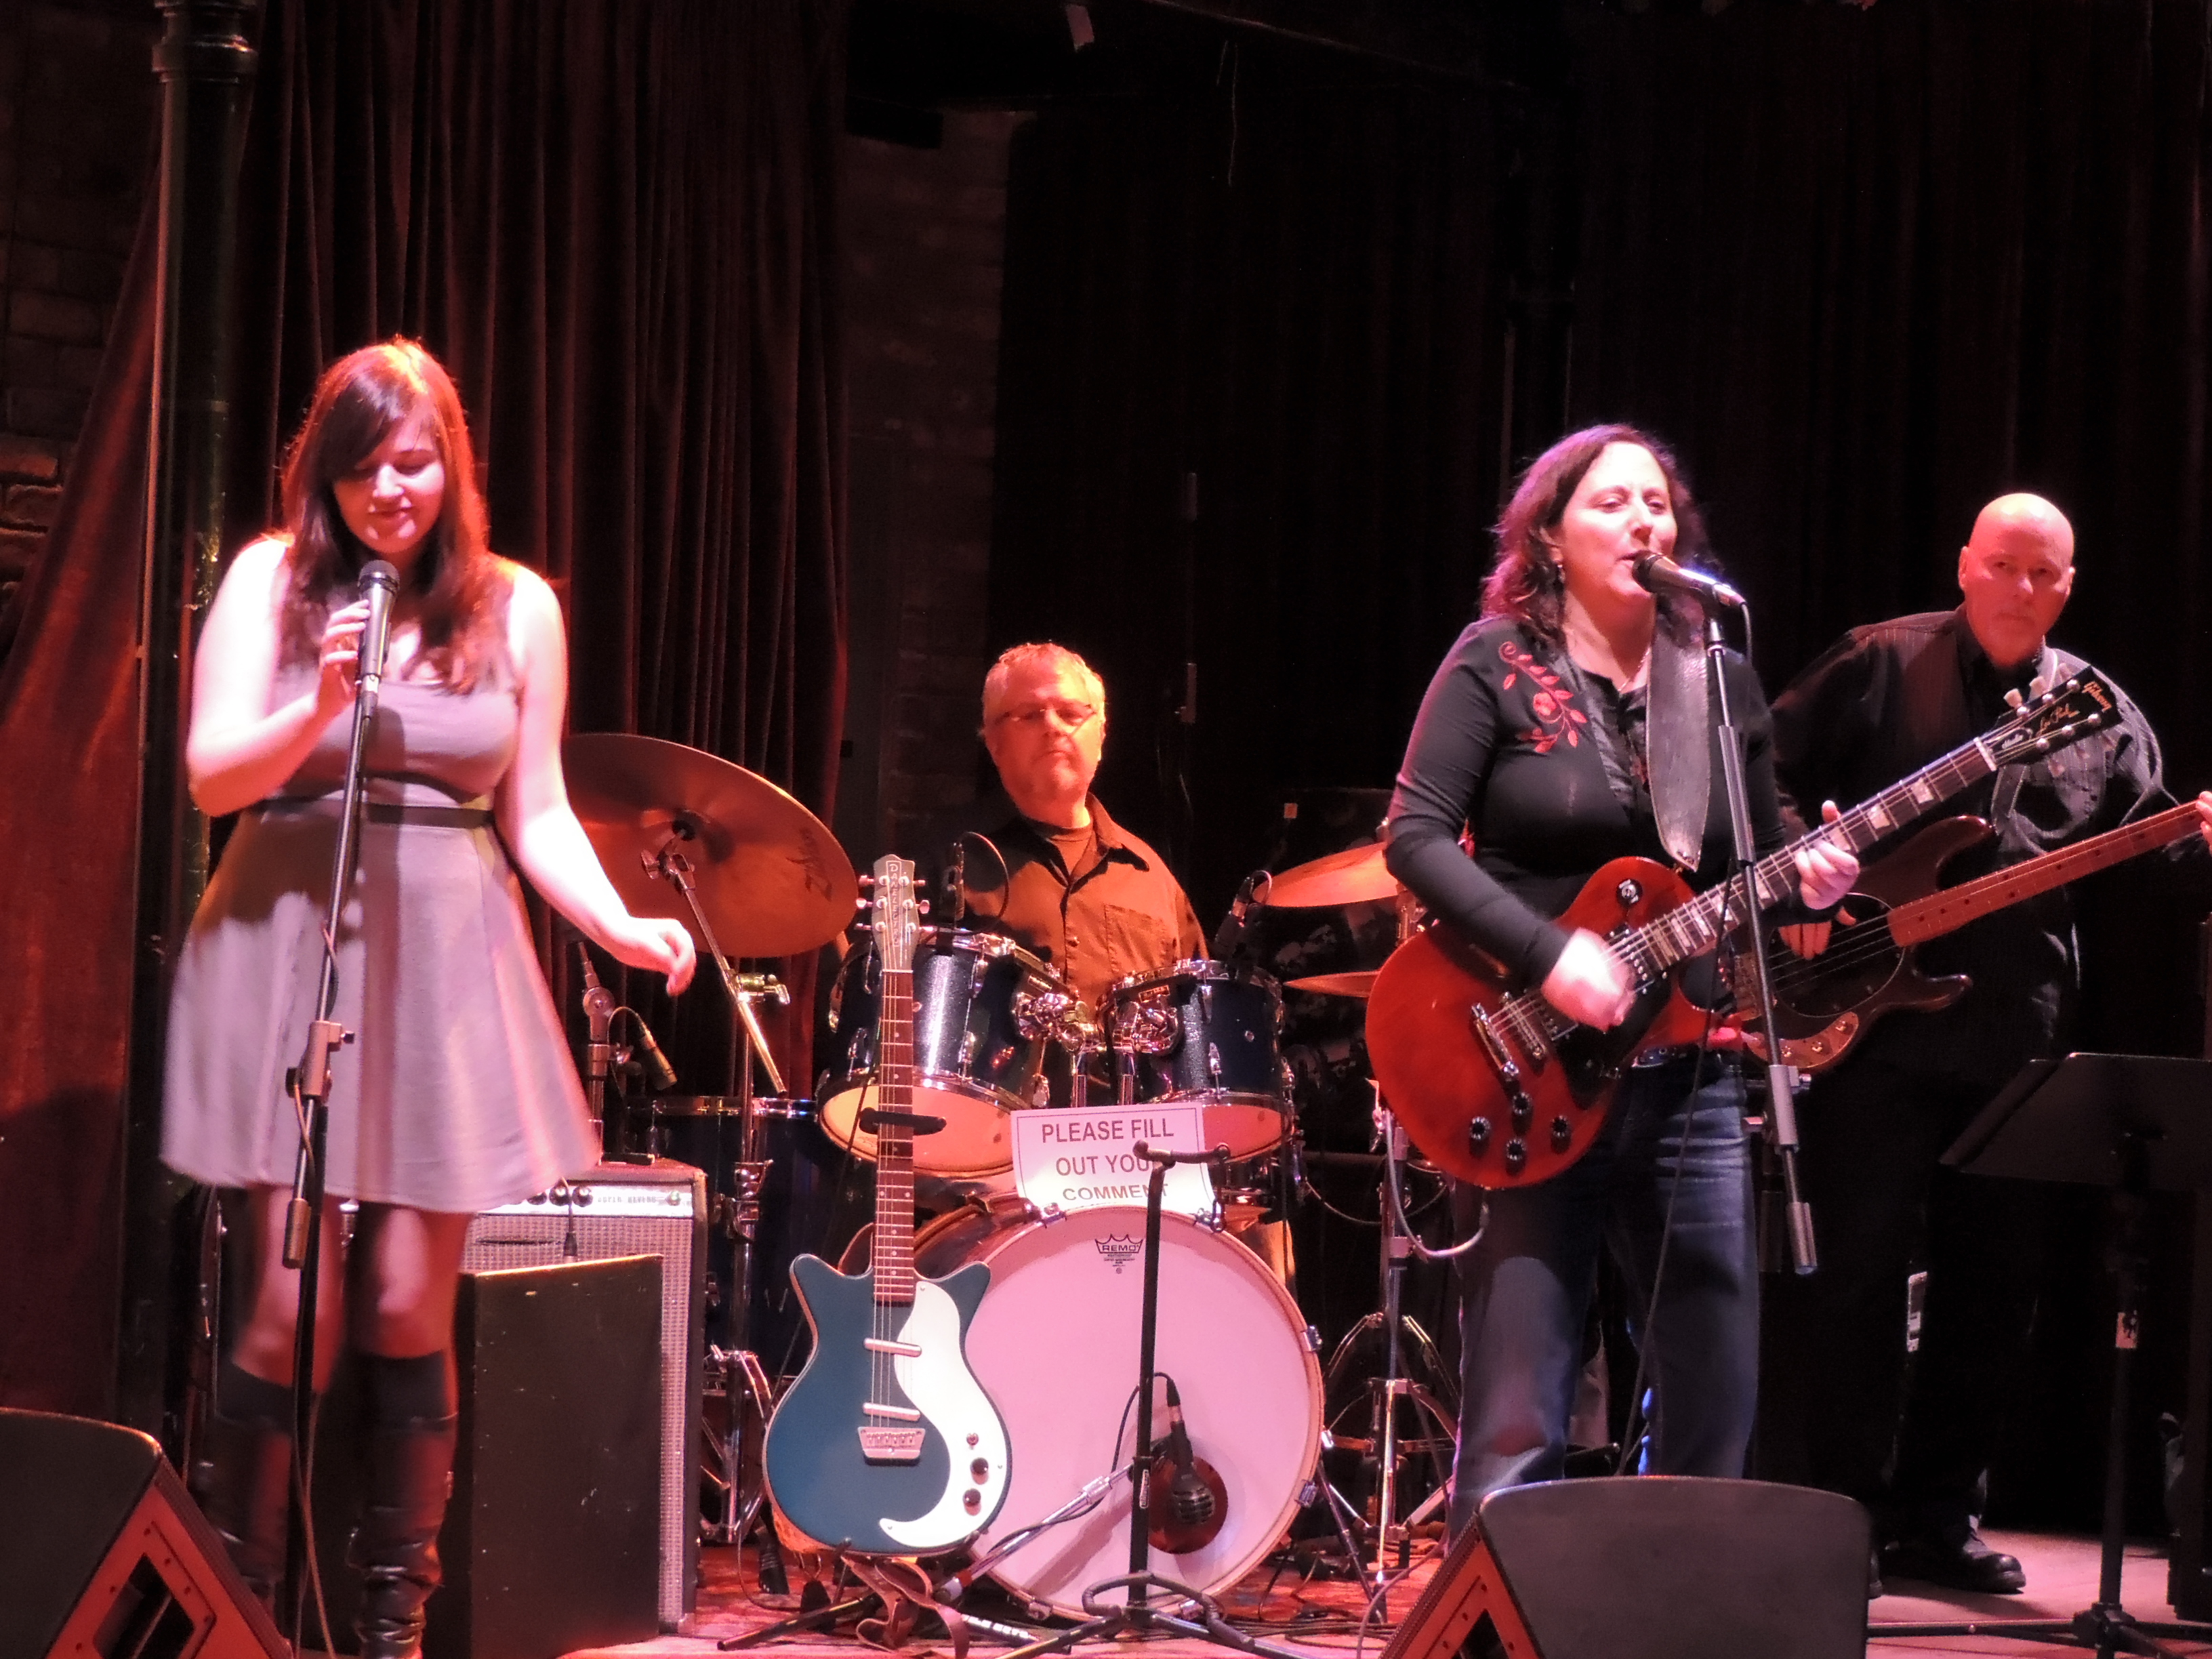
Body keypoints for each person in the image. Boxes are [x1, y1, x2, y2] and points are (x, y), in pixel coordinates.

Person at [163, 339, 695, 1655]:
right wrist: (322, 703)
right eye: (361, 469)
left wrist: (617, 923)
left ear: (451, 464)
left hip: (448, 955)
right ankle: (244, 1616)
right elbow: (212, 775)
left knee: (407, 1297)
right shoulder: (271, 580)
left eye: (412, 463)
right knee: (289, 1303)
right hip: (287, 937)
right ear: (324, 476)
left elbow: (539, 807)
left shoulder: (516, 607)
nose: (388, 490)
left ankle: (390, 1627)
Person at [1382, 424, 1858, 1535]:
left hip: (1685, 1075)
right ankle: (1494, 1616)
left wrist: (1814, 881)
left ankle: (1673, 1608)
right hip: (1524, 1061)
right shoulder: (1495, 661)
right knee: (1519, 1405)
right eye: (1610, 502)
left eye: (1656, 503)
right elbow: (1413, 836)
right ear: (1549, 536)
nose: (1642, 519)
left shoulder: (1717, 675)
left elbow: (1752, 870)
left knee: (1714, 1391)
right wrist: (1549, 955)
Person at [1759, 492, 2212, 1594]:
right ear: (1964, 564)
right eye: (2003, 564)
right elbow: (1762, 777)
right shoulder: (1877, 662)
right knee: (1859, 1279)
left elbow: (2155, 854)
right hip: (1867, 1026)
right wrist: (1801, 870)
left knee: (1993, 1290)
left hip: (2014, 1036)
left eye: (2043, 573)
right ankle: (1846, 1518)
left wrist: (2201, 846)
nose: (2020, 587)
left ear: (2068, 587)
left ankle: (1937, 1516)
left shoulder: (2098, 710)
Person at [935, 641, 1204, 1012]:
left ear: (1102, 736)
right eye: (1031, 715)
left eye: (1071, 713)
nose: (1053, 727)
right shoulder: (945, 859)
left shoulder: (1153, 879)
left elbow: (1197, 1024)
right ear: (994, 742)